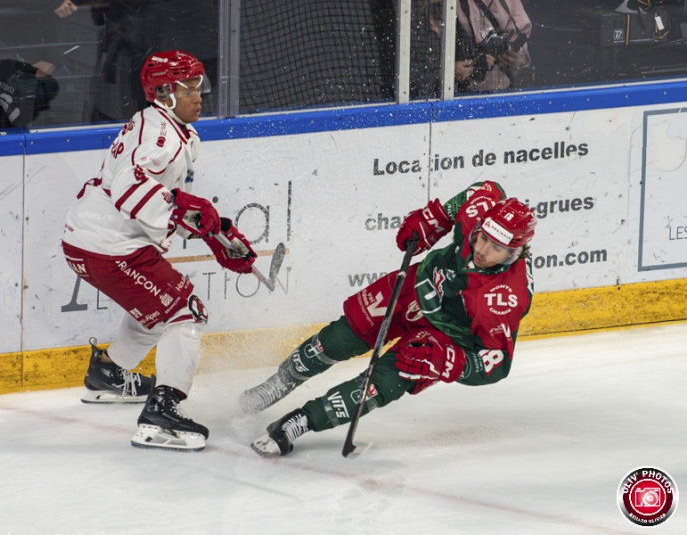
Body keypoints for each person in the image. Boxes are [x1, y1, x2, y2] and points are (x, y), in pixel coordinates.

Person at [241, 181, 537, 456]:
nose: (482, 250)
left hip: (445, 336)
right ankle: (277, 385)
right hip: (415, 287)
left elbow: (495, 364)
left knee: (381, 381)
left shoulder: (503, 300)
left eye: (496, 248)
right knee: (341, 337)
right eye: (483, 238)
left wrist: (450, 360)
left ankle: (301, 421)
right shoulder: (481, 204)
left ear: (514, 253)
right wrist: (429, 221)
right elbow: (474, 193)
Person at [62, 50, 258, 452]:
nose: (199, 95)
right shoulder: (163, 137)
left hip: (88, 239)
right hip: (110, 245)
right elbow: (130, 190)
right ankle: (161, 414)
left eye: (199, 86)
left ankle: (110, 375)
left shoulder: (162, 123)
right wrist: (190, 213)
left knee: (157, 309)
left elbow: (157, 197)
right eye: (189, 89)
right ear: (165, 93)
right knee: (186, 310)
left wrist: (213, 230)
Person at [455, 0, 531, 93]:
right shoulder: (452, 4)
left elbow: (522, 37)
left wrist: (515, 58)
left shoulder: (509, 2)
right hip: (463, 91)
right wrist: (450, 71)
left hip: (504, 88)